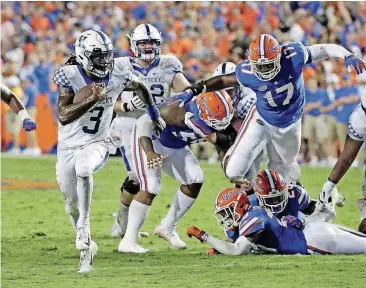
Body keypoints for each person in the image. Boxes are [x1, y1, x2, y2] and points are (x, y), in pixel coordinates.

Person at [180, 34, 366, 183]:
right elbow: (222, 80)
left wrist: (346, 54)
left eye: (268, 64)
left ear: (278, 56)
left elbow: (325, 49)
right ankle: (234, 154)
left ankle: (285, 202)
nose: (264, 70)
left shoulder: (293, 55)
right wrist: (196, 88)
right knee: (233, 171)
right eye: (260, 66)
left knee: (285, 172)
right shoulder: (248, 71)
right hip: (261, 117)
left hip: (290, 122)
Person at [52, 30, 164, 273]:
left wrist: (154, 115)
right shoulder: (68, 75)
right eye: (98, 57)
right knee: (71, 204)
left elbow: (142, 85)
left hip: (99, 141)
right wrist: (93, 99)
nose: (104, 62)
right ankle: (85, 239)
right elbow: (63, 116)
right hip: (67, 145)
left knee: (84, 167)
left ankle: (85, 225)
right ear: (83, 56)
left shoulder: (118, 72)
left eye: (106, 56)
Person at [118, 90, 235, 253]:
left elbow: (221, 146)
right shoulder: (178, 110)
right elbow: (145, 121)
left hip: (175, 144)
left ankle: (167, 227)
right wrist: (150, 152)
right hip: (150, 139)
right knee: (151, 186)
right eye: (216, 119)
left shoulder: (214, 115)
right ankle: (128, 241)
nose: (221, 123)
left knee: (195, 179)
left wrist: (232, 172)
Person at [109, 24, 191, 238]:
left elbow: (186, 90)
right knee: (136, 176)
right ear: (133, 45)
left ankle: (130, 223)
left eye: (152, 43)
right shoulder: (120, 65)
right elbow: (105, 99)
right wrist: (125, 106)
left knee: (147, 178)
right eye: (143, 43)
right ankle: (123, 218)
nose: (147, 47)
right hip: (129, 124)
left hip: (158, 125)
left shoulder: (169, 64)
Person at [187, 169, 366, 255]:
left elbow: (236, 250)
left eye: (227, 212)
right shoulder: (253, 212)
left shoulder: (252, 217)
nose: (225, 218)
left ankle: (331, 197)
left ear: (239, 207)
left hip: (314, 240)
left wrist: (204, 235)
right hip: (313, 231)